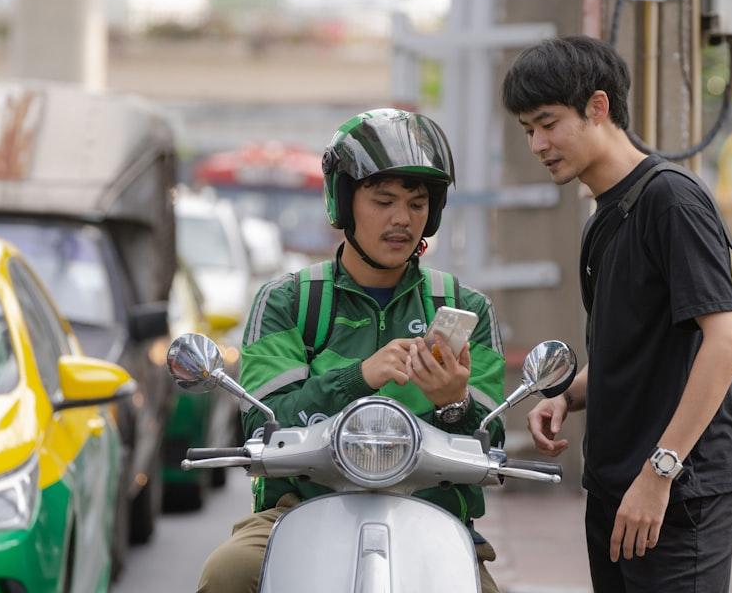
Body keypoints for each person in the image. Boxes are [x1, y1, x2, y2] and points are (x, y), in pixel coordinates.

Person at [198, 109, 507, 593]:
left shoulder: (466, 308)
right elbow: (264, 423)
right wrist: (358, 377)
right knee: (228, 573)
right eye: (383, 200)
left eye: (417, 203)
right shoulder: (290, 302)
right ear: (343, 201)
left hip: (435, 518)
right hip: (296, 511)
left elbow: (494, 444)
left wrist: (454, 403)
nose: (402, 219)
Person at [501, 36, 732, 592]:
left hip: (682, 490)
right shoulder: (602, 219)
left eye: (548, 123)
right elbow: (634, 352)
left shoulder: (672, 200)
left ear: (598, 106)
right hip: (618, 487)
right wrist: (567, 397)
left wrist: (660, 473)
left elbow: (727, 343)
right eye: (527, 131)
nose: (538, 144)